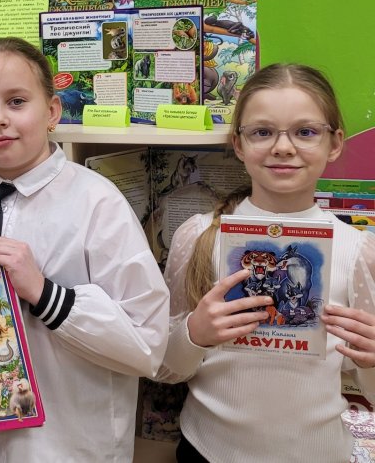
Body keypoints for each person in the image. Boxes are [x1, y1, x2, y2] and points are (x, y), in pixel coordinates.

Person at [0, 37, 168, 462]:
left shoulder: (98, 203)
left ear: (52, 111)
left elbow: (148, 347)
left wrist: (45, 294)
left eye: (16, 102)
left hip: (65, 448)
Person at [155, 63, 375, 462]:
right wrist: (193, 334)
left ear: (335, 143)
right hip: (207, 450)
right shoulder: (199, 235)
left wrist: (372, 361)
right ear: (238, 145)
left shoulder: (358, 249)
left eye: (305, 132)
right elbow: (166, 369)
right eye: (262, 132)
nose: (283, 147)